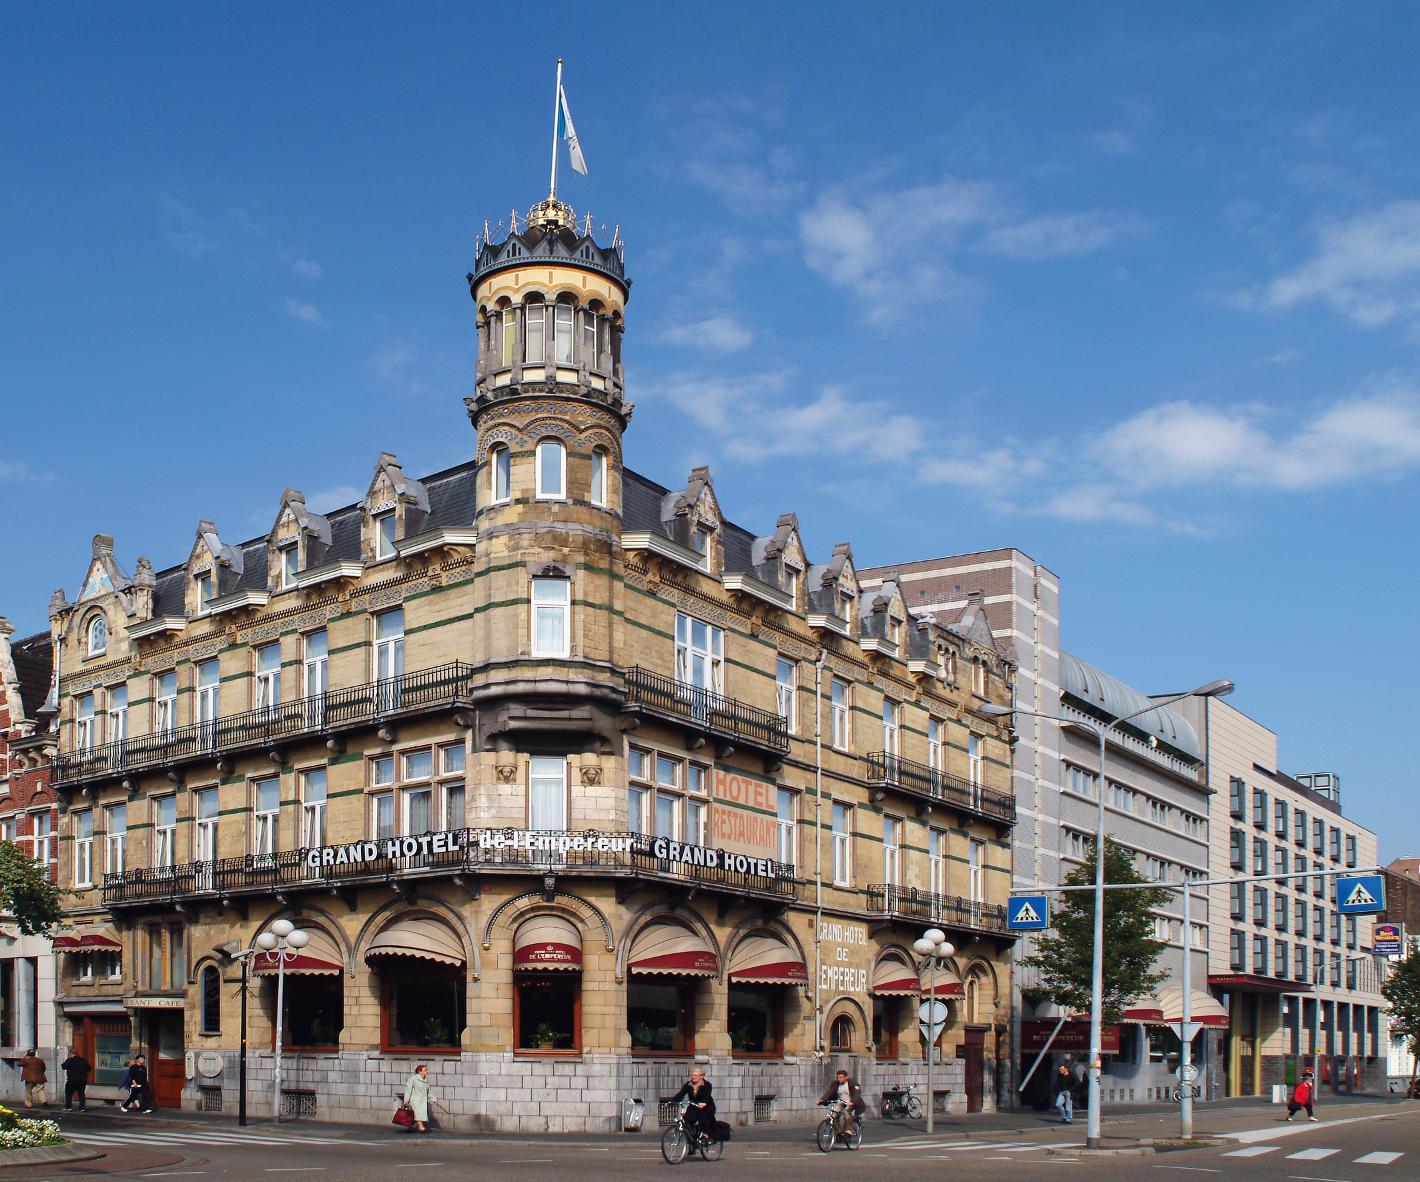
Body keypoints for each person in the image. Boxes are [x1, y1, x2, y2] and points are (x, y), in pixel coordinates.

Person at [671, 1068, 716, 1144]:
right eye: (692, 1075)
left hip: (707, 1106)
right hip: (694, 1105)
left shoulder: (707, 1085)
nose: (693, 1077)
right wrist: (672, 1101)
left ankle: (706, 1135)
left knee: (702, 1116)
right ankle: (692, 1142)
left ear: (701, 1076)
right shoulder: (688, 1084)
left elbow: (707, 1097)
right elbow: (681, 1094)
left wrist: (703, 1103)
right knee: (687, 1119)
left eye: (695, 1075)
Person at [817, 1069, 866, 1135]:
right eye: (837, 1077)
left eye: (841, 1077)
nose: (839, 1079)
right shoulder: (835, 1084)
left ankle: (849, 1129)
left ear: (846, 1077)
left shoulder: (853, 1083)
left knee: (846, 1111)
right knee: (834, 1115)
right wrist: (822, 1100)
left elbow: (857, 1094)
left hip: (851, 1102)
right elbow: (829, 1092)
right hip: (841, 1102)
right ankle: (838, 1132)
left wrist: (852, 1102)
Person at [402, 1064, 434, 1134]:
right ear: (420, 1071)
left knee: (414, 1115)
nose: (427, 1072)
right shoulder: (413, 1079)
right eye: (425, 1070)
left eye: (427, 1070)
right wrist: (406, 1100)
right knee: (418, 1113)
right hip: (415, 1100)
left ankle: (410, 1126)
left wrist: (434, 1099)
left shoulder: (425, 1081)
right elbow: (408, 1089)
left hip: (422, 1101)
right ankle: (420, 1126)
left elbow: (429, 1091)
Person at [60, 1047, 92, 1111]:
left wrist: (68, 1059)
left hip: (72, 1080)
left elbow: (63, 1066)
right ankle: (82, 1108)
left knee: (68, 1093)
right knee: (81, 1094)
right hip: (82, 1080)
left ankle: (68, 1107)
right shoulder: (83, 1060)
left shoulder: (70, 1060)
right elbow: (89, 1068)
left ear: (71, 1054)